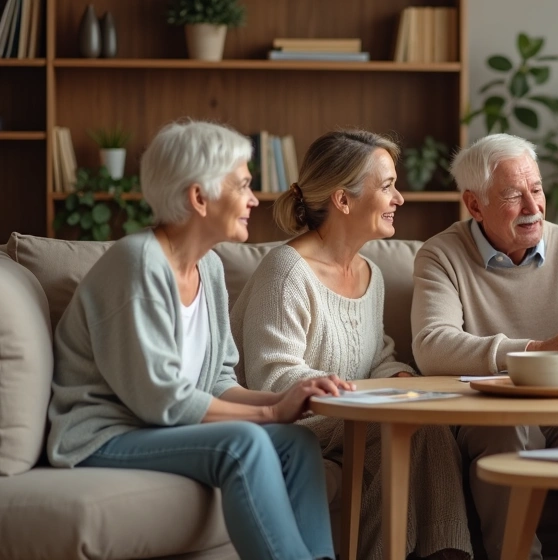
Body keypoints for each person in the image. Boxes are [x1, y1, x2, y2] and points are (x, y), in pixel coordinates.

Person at [46, 120, 349, 560]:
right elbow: (162, 400)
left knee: (297, 442)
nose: (254, 199)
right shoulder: (138, 265)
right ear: (199, 197)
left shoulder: (209, 267)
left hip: (158, 426)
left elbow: (218, 380)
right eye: (242, 185)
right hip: (105, 434)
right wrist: (269, 412)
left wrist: (289, 398)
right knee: (244, 443)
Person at [232, 130, 472, 560]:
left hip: (350, 418)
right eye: (387, 186)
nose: (399, 198)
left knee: (428, 424)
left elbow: (377, 357)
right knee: (399, 429)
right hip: (294, 426)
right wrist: (363, 399)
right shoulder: (286, 272)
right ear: (343, 200)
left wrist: (400, 377)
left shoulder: (370, 274)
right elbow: (274, 377)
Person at [411, 133, 558, 560]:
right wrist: (536, 349)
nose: (533, 207)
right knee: (507, 426)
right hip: (491, 412)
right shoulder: (441, 255)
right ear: (475, 205)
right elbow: (431, 345)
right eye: (513, 196)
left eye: (536, 189)